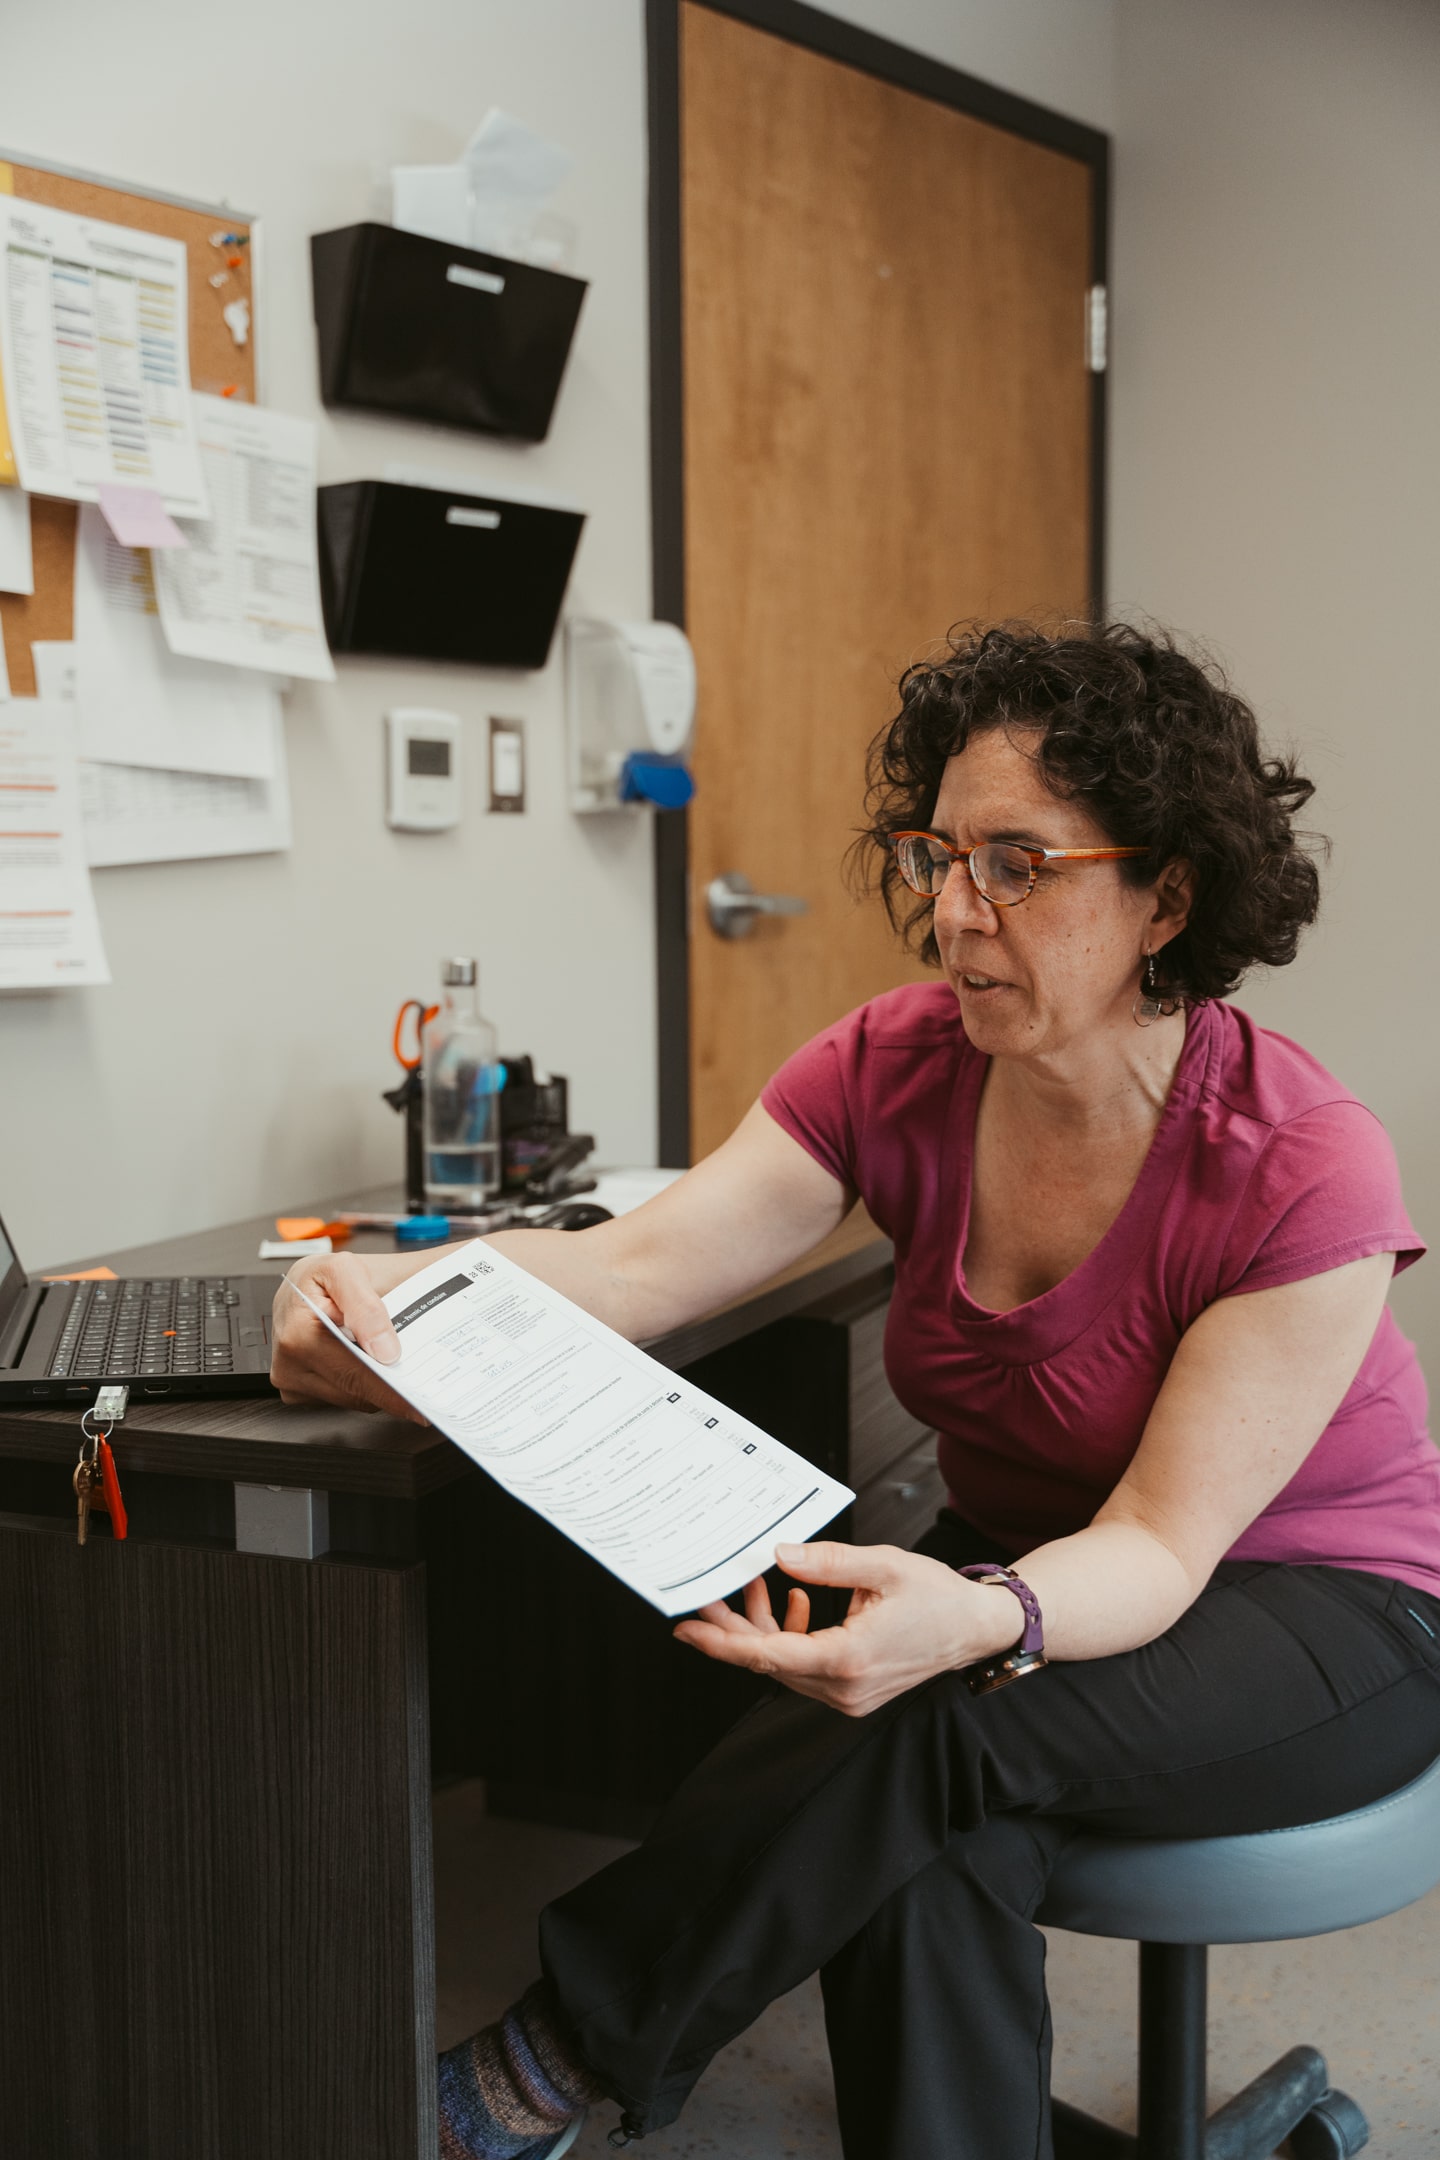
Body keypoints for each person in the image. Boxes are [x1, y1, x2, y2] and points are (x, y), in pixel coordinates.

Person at [272, 623, 1440, 2160]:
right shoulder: (896, 1065)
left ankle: (552, 2057)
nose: (953, 915)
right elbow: (634, 1269)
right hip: (1035, 1569)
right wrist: (388, 1310)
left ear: (1168, 893)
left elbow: (1160, 1546)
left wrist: (977, 1616)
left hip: (1316, 1605)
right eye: (938, 856)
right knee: (929, 1833)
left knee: (937, 1719)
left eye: (1016, 864)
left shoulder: (1296, 1157)